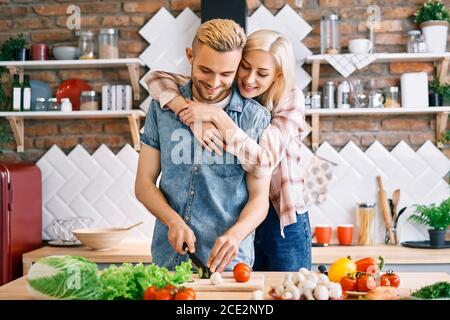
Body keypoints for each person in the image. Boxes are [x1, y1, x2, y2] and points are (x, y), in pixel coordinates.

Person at [145, 29, 311, 272]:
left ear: (276, 77)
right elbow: (156, 80)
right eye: (244, 67)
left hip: (282, 217)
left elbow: (264, 163)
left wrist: (216, 116)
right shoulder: (218, 80)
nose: (249, 79)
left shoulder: (287, 101)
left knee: (286, 290)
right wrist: (186, 113)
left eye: (262, 73)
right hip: (245, 216)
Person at [135, 19, 272, 272]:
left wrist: (236, 234)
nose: (214, 82)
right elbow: (143, 184)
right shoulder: (162, 108)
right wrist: (172, 222)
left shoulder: (254, 117)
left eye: (226, 74)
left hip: (230, 263)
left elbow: (260, 198)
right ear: (190, 57)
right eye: (206, 70)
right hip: (169, 258)